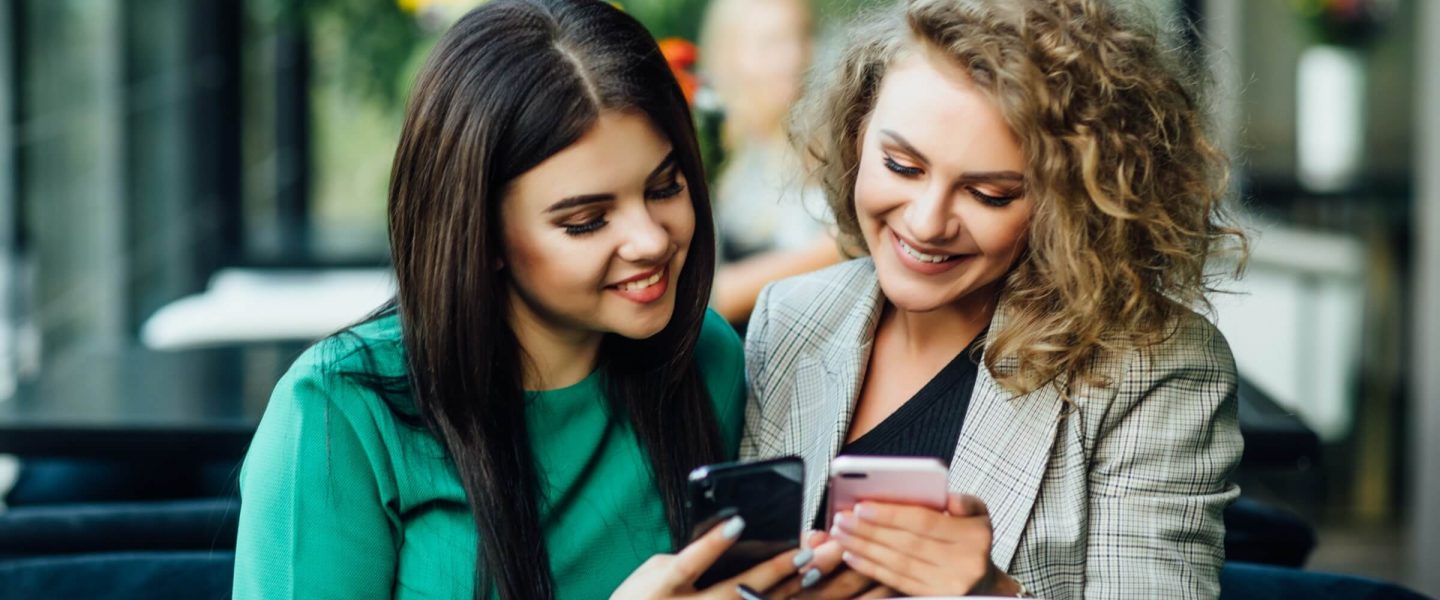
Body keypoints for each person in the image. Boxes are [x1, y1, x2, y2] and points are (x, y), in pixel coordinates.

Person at [232, 2, 804, 598]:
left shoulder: (705, 360)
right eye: (586, 220)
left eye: (665, 186)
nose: (651, 240)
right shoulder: (337, 413)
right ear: (481, 235)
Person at [741, 0, 1248, 598]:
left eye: (989, 194)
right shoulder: (792, 318)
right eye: (901, 166)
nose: (927, 224)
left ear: (1074, 204)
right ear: (856, 135)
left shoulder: (1155, 366)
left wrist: (990, 592)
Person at [699, 0, 843, 326]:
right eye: (772, 43)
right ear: (730, 52)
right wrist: (833, 251)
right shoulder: (711, 148)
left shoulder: (831, 137)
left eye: (801, 37)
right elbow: (704, 298)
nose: (793, 58)